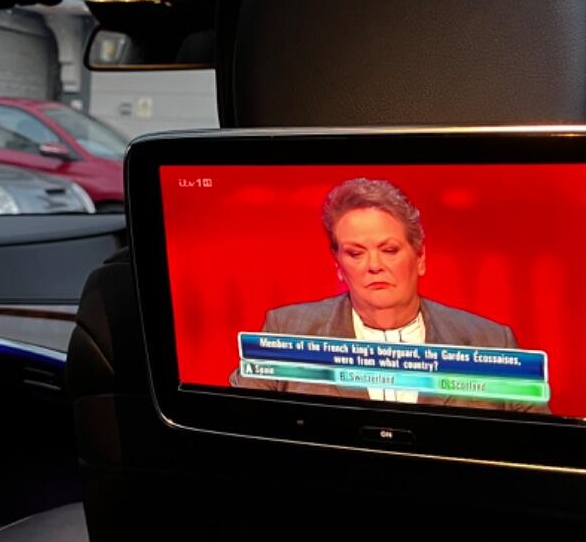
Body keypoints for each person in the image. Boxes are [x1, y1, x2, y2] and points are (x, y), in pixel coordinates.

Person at [231, 177, 547, 412]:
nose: (374, 266)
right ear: (339, 266)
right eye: (356, 253)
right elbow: (236, 426)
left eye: (389, 250)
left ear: (420, 258)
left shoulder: (491, 342)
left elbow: (538, 447)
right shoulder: (286, 331)